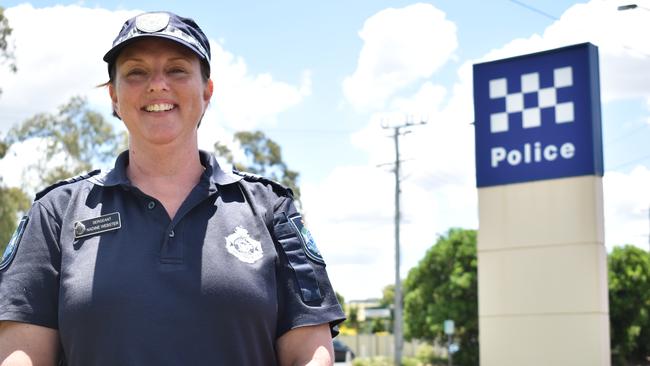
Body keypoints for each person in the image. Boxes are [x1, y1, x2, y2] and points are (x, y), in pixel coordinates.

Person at [0, 11, 345, 365]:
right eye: (136, 72)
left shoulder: (271, 209)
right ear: (114, 97)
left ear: (207, 91)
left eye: (177, 69)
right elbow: (21, 354)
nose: (157, 84)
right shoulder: (56, 213)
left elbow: (309, 353)